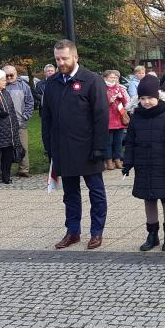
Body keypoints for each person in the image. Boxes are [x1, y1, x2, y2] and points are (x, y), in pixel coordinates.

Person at [41, 39, 110, 250]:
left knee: (95, 191)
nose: (61, 62)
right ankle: (73, 232)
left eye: (65, 58)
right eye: (57, 59)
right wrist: (49, 146)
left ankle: (96, 232)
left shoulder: (91, 80)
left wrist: (99, 147)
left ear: (75, 57)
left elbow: (101, 115)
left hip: (88, 148)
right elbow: (47, 118)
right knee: (70, 194)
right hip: (63, 148)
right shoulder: (52, 83)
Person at [123, 74, 165, 252]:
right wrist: (128, 163)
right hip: (143, 165)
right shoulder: (136, 117)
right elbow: (131, 142)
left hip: (164, 165)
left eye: (150, 98)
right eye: (142, 98)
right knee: (148, 199)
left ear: (157, 97)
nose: (146, 102)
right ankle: (152, 234)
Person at [3, 65, 35, 177]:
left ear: (16, 74)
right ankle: (4, 171)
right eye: (7, 75)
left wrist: (26, 116)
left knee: (23, 147)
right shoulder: (0, 86)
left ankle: (24, 170)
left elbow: (30, 102)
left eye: (12, 75)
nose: (9, 77)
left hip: (21, 122)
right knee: (4, 148)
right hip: (4, 124)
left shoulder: (24, 86)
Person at [103, 69, 130, 170]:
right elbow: (99, 104)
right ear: (105, 78)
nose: (113, 79)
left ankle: (118, 160)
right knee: (108, 142)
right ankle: (109, 161)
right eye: (111, 77)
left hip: (119, 118)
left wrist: (121, 97)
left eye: (115, 77)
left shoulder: (119, 88)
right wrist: (109, 101)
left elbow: (126, 102)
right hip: (108, 119)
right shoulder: (102, 88)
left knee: (118, 141)